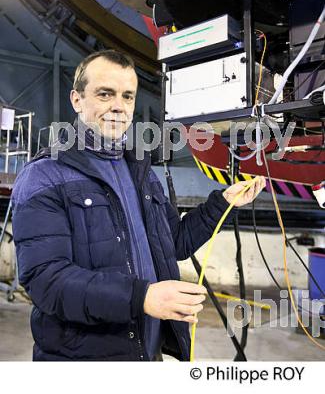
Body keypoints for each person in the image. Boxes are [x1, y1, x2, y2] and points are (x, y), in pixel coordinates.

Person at [11, 49, 265, 361]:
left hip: (147, 353)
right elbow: (47, 282)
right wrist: (140, 298)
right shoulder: (44, 176)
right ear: (77, 100)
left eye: (127, 96)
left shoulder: (141, 171)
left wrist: (222, 203)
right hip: (84, 362)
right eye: (105, 94)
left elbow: (174, 243)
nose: (118, 106)